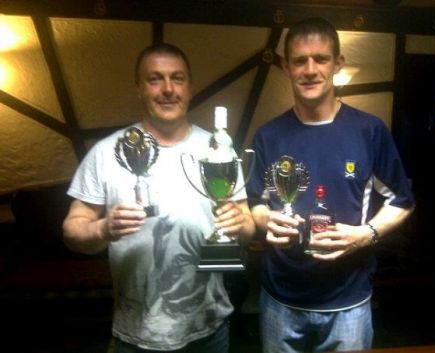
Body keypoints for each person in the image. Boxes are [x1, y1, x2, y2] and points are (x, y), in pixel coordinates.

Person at [62, 43, 255, 353]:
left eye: (177, 78)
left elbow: (247, 226)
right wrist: (102, 229)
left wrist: (240, 223)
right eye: (155, 79)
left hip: (209, 330)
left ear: (189, 88)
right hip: (135, 334)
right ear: (139, 88)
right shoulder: (105, 152)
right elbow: (72, 229)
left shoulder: (219, 150)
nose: (168, 89)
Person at [247, 17, 415, 352]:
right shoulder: (268, 135)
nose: (310, 69)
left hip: (348, 303)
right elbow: (256, 203)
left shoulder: (369, 131)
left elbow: (402, 200)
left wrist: (365, 234)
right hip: (280, 300)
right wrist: (267, 219)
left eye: (320, 59)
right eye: (299, 60)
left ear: (338, 63)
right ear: (286, 67)